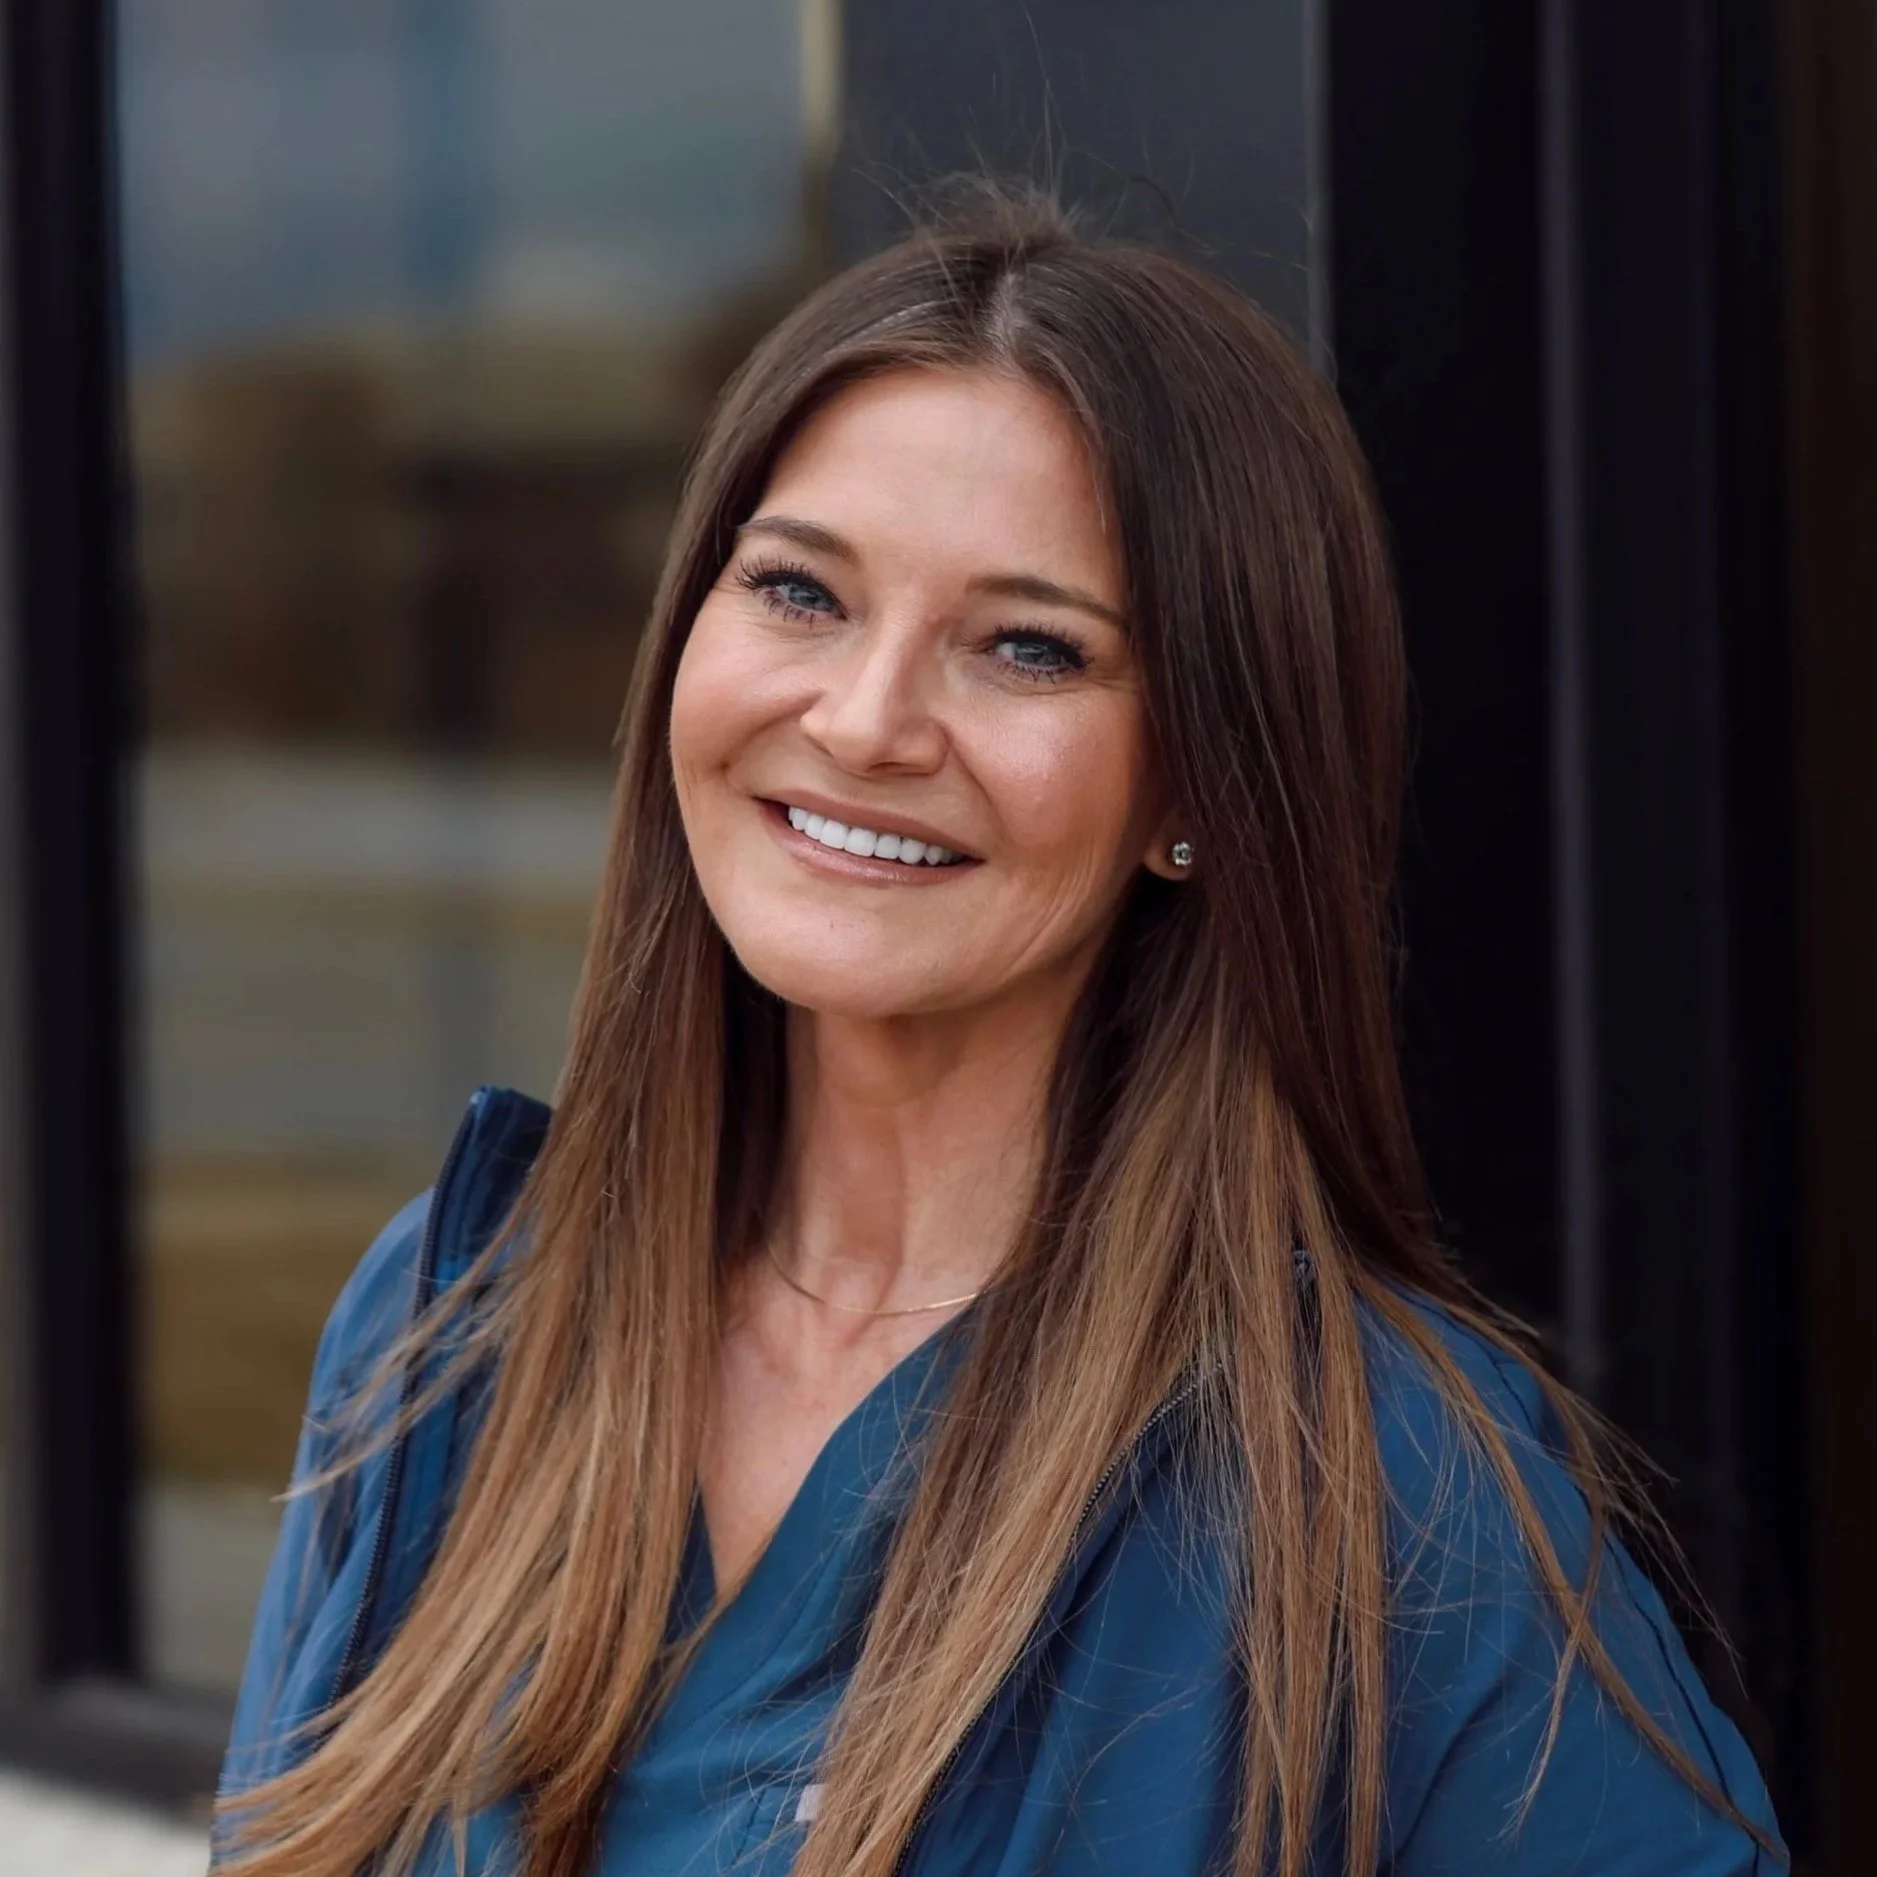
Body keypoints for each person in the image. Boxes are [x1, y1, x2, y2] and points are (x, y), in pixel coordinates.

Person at [214, 192, 1782, 1876]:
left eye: (1029, 648)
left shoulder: (1388, 1496)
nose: (868, 719)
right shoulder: (451, 1325)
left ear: (1194, 785)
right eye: (800, 594)